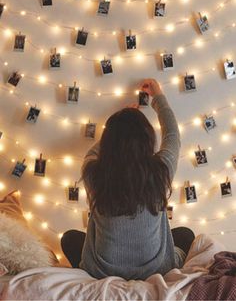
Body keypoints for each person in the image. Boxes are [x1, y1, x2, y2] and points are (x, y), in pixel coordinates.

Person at [61, 78, 195, 280]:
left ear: (108, 142)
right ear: (147, 140)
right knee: (185, 235)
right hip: (155, 271)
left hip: (103, 271)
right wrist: (157, 97)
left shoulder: (93, 173)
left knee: (70, 238)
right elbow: (173, 135)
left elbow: (92, 152)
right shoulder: (161, 171)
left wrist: (117, 130)